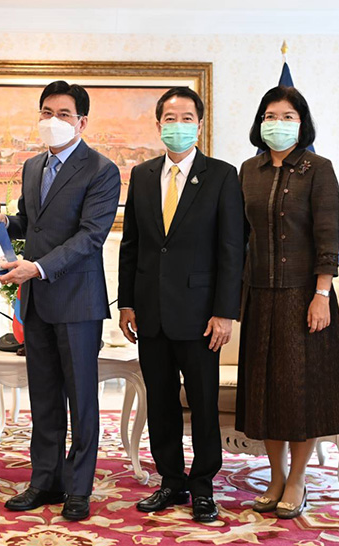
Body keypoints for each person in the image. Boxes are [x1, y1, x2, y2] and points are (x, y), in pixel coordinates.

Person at [0, 81, 120, 521]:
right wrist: (5, 222)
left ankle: (78, 488)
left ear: (82, 122)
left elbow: (90, 236)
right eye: (46, 112)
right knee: (43, 398)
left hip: (77, 301)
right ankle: (45, 480)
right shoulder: (32, 166)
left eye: (63, 114)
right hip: (36, 301)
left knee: (81, 400)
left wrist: (38, 268)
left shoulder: (102, 170)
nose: (52, 121)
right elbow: (32, 222)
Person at [117, 87, 244, 523]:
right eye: (169, 118)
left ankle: (203, 485)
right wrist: (127, 303)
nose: (178, 125)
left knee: (204, 402)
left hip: (201, 315)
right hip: (150, 313)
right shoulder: (142, 175)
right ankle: (171, 481)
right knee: (162, 403)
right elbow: (131, 245)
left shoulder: (222, 175)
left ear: (199, 125)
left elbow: (232, 250)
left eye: (186, 117)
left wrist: (225, 312)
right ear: (158, 125)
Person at [235, 86, 339, 520]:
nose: (279, 123)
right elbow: (239, 237)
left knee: (298, 393)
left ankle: (298, 477)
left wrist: (322, 295)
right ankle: (276, 475)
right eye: (271, 115)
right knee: (265, 392)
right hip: (258, 294)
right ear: (260, 122)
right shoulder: (248, 170)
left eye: (288, 116)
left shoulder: (318, 169)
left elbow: (328, 237)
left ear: (302, 123)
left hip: (304, 297)